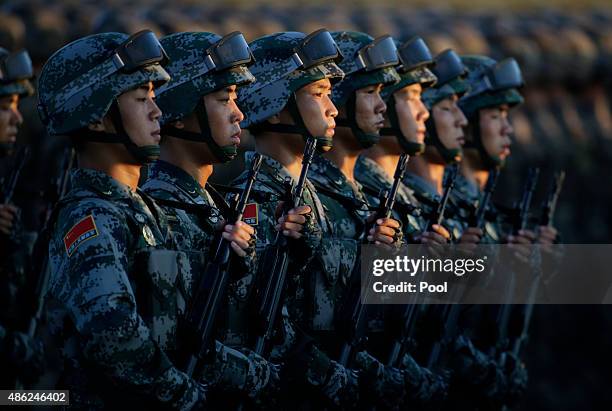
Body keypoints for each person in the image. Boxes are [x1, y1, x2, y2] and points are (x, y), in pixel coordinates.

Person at [38, 30, 207, 408]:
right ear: (96, 118)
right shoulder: (91, 217)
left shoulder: (143, 210)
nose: (157, 109)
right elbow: (114, 335)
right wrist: (187, 395)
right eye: (141, 97)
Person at [140, 31, 279, 406]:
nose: (239, 113)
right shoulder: (159, 212)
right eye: (224, 99)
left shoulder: (216, 207)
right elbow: (162, 341)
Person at [232, 29, 363, 408]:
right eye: (318, 93)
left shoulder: (313, 198)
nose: (333, 108)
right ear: (275, 104)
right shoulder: (255, 202)